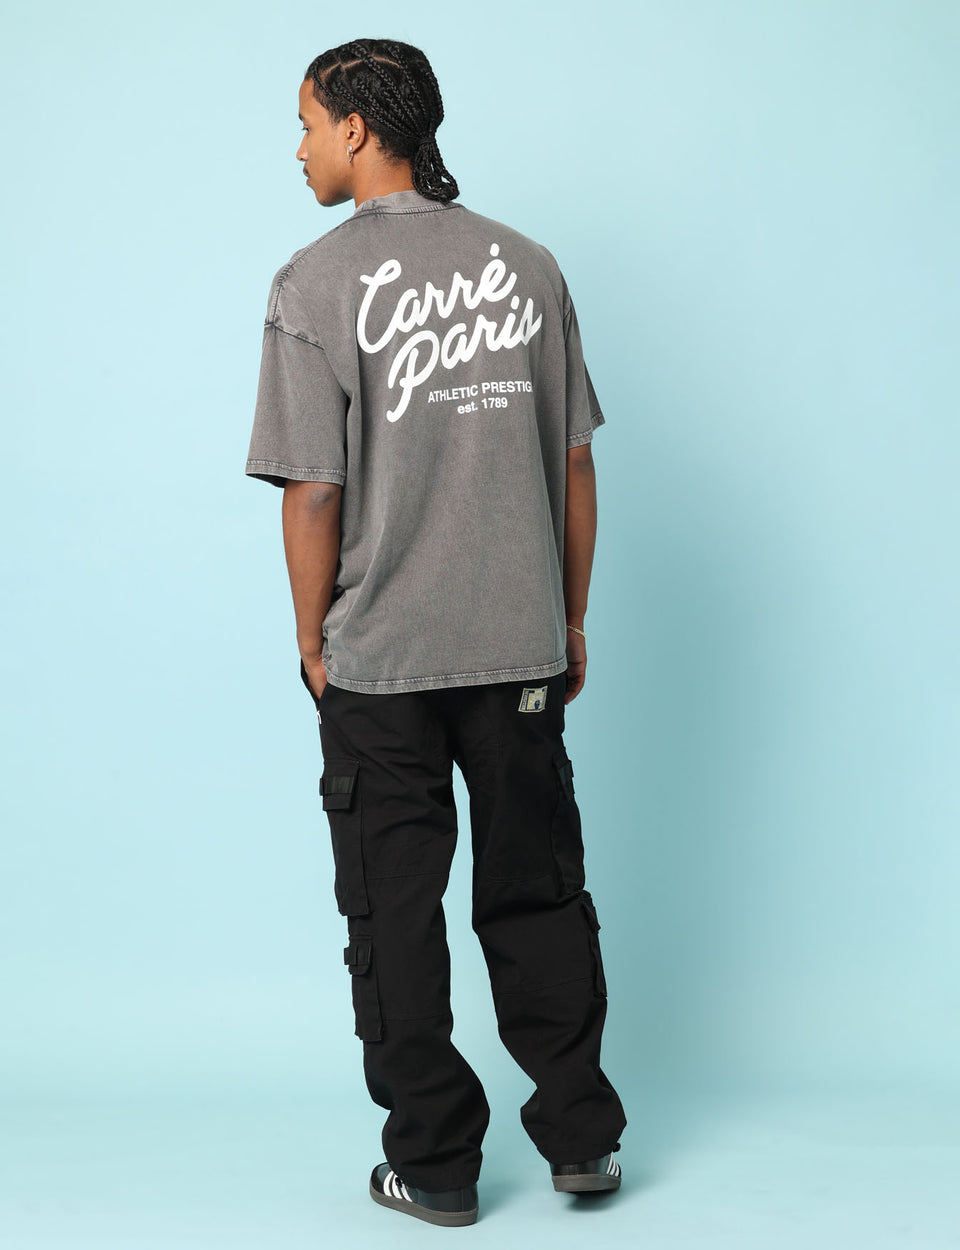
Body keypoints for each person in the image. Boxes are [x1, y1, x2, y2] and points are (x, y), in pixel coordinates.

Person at [245, 37, 627, 1228]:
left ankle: (438, 1165)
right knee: (538, 889)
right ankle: (581, 1139)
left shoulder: (311, 284)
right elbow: (573, 464)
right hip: (517, 646)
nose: (298, 148)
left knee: (393, 909)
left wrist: (312, 639)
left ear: (358, 128)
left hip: (381, 660)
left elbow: (314, 492)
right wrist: (565, 618)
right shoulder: (528, 265)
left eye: (306, 123)